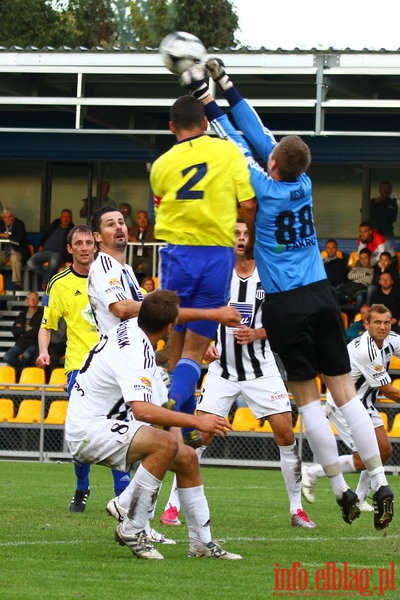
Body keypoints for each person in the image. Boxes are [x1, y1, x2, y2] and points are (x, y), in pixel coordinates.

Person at [181, 58, 394, 529]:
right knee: (345, 395)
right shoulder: (303, 181)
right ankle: (379, 481)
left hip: (285, 304)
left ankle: (338, 485)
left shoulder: (264, 186)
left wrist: (206, 101)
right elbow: (258, 133)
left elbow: (238, 143)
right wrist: (227, 85)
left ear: (272, 164)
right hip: (320, 294)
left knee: (310, 402)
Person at [87, 206, 241, 536]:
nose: (120, 228)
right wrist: (202, 314)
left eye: (121, 222)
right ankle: (134, 512)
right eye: (110, 224)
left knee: (178, 447)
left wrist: (191, 340)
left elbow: (148, 319)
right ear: (98, 237)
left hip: (137, 361)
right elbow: (123, 309)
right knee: (171, 441)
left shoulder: (124, 269)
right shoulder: (103, 266)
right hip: (121, 366)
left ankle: (138, 510)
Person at [65, 289, 242, 561]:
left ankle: (201, 544)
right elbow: (144, 411)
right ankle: (132, 527)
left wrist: (187, 431)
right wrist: (197, 420)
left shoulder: (134, 329)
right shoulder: (137, 352)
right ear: (170, 328)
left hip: (98, 422)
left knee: (187, 458)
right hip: (89, 430)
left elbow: (161, 406)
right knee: (166, 444)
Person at [161, 220, 315, 529]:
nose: (241, 239)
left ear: (254, 239)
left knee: (285, 433)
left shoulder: (270, 274)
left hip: (261, 369)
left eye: (246, 234)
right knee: (198, 435)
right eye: (236, 234)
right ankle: (172, 506)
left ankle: (296, 510)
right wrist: (203, 344)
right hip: (223, 370)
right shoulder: (218, 274)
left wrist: (259, 332)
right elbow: (198, 313)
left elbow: (290, 322)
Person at [149, 94, 255, 448]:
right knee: (194, 353)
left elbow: (160, 206)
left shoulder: (161, 165)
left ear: (171, 127)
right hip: (215, 256)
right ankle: (178, 407)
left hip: (176, 255)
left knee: (176, 350)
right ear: (206, 123)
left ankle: (184, 420)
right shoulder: (229, 153)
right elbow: (249, 204)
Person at [36, 225, 131, 514]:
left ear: (96, 244)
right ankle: (82, 486)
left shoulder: (111, 273)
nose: (85, 247)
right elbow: (46, 325)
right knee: (83, 432)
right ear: (70, 249)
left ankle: (122, 498)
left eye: (89, 242)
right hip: (79, 366)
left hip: (115, 364)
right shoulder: (59, 283)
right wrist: (42, 352)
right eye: (79, 243)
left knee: (121, 428)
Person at [302, 304, 397, 521]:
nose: (382, 327)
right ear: (366, 324)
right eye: (377, 322)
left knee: (384, 450)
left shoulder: (391, 339)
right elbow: (387, 390)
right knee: (366, 457)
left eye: (386, 322)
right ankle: (313, 472)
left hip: (364, 403)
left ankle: (361, 497)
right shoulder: (366, 349)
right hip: (344, 404)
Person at [27, 209, 74, 288]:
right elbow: (44, 237)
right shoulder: (53, 226)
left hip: (58, 254)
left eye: (68, 217)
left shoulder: (72, 231)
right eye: (63, 217)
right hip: (44, 252)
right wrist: (41, 246)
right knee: (30, 263)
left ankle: (45, 282)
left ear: (71, 218)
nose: (65, 219)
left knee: (54, 262)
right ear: (60, 217)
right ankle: (50, 278)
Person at [3, 291, 43, 377]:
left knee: (26, 355)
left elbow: (36, 332)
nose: (32, 300)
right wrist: (26, 330)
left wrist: (22, 331)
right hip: (20, 343)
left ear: (38, 301)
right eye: (30, 298)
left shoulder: (41, 314)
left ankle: (23, 374)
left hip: (34, 343)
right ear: (26, 301)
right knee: (7, 357)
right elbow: (14, 330)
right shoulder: (22, 314)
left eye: (35, 298)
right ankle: (23, 371)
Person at [0, 208, 31, 290]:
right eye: (5, 217)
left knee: (14, 258)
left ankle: (17, 284)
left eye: (10, 217)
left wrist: (8, 236)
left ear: (14, 216)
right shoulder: (0, 223)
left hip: (18, 250)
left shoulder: (19, 224)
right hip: (4, 250)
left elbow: (19, 239)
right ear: (2, 217)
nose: (7, 219)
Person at [338, 248, 373, 313]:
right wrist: (365, 273)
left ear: (370, 258)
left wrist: (356, 277)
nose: (363, 261)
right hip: (346, 290)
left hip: (357, 292)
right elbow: (350, 276)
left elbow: (368, 281)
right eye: (361, 258)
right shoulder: (356, 268)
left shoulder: (373, 271)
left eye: (365, 258)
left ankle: (353, 320)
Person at [128, 210, 157, 279]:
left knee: (146, 266)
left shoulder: (153, 228)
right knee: (126, 265)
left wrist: (137, 241)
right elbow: (130, 238)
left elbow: (152, 241)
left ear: (148, 219)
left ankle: (150, 285)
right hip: (135, 255)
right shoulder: (134, 228)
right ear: (137, 220)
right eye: (139, 218)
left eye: (144, 218)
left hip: (148, 256)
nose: (142, 220)